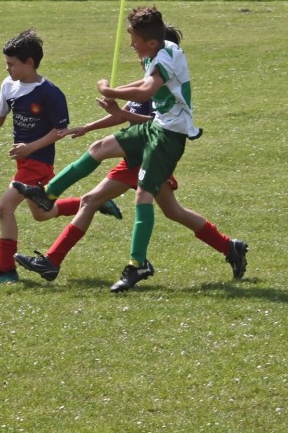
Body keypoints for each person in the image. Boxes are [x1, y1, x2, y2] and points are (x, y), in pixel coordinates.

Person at [15, 25, 248, 284]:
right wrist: (88, 126)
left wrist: (115, 102)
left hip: (150, 155)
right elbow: (124, 113)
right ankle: (229, 246)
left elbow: (150, 122)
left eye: (139, 43)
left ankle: (58, 259)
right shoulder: (150, 74)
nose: (135, 49)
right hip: (137, 154)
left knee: (94, 200)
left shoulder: (160, 81)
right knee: (171, 211)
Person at [0, 29, 114, 285]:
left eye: (11, 64)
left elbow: (60, 131)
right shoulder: (8, 85)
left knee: (4, 207)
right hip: (24, 159)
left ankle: (6, 271)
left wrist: (30, 148)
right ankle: (93, 202)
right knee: (42, 214)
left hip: (38, 162)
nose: (7, 68)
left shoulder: (50, 93)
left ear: (29, 62)